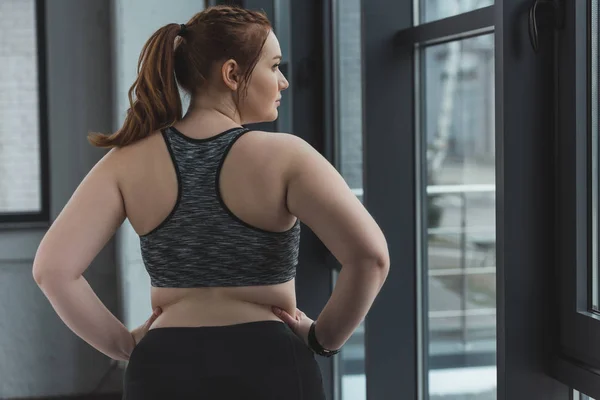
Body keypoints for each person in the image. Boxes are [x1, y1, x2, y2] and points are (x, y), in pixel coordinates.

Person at [32, 5, 389, 399]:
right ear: (233, 74)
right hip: (271, 362)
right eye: (273, 66)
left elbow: (53, 270)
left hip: (163, 365)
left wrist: (124, 345)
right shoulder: (288, 156)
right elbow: (370, 258)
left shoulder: (126, 162)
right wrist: (324, 339)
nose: (283, 81)